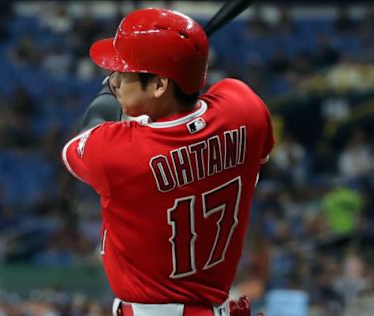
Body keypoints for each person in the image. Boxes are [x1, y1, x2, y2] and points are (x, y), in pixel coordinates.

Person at [62, 8, 274, 316]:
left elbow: (84, 136)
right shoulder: (245, 107)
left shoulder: (120, 152)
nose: (116, 79)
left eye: (123, 73)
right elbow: (246, 142)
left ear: (160, 85)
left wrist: (106, 94)